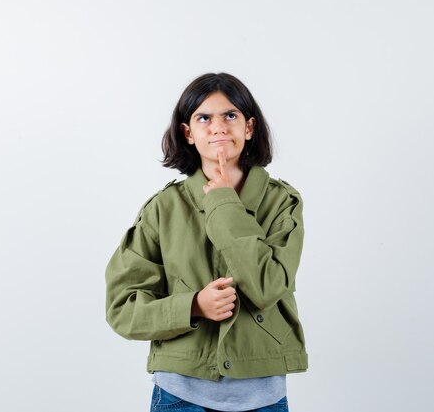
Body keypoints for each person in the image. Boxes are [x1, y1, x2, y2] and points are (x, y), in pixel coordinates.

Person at [105, 73, 308, 412]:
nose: (218, 127)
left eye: (230, 115)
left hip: (263, 398)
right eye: (204, 117)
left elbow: (267, 286)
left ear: (249, 127)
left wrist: (223, 201)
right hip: (179, 396)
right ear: (188, 132)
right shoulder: (163, 208)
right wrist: (193, 306)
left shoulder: (282, 202)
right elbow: (122, 309)